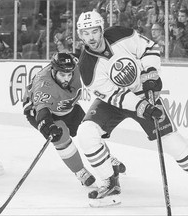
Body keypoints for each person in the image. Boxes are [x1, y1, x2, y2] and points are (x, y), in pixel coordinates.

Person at [76, 10, 188, 207]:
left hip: (143, 89)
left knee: (172, 143)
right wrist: (141, 106)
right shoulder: (87, 67)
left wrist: (151, 73)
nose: (91, 37)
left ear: (102, 29)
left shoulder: (120, 34)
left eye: (94, 31)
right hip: (115, 102)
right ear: (80, 35)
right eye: (85, 33)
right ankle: (110, 182)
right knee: (86, 132)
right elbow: (114, 96)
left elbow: (149, 48)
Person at [22, 52, 126, 189]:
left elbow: (89, 57)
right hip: (39, 111)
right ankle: (80, 171)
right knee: (60, 135)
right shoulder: (43, 85)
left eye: (69, 75)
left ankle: (105, 157)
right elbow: (42, 113)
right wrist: (48, 126)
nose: (66, 78)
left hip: (67, 106)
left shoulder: (76, 65)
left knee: (88, 130)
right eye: (62, 75)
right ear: (53, 71)